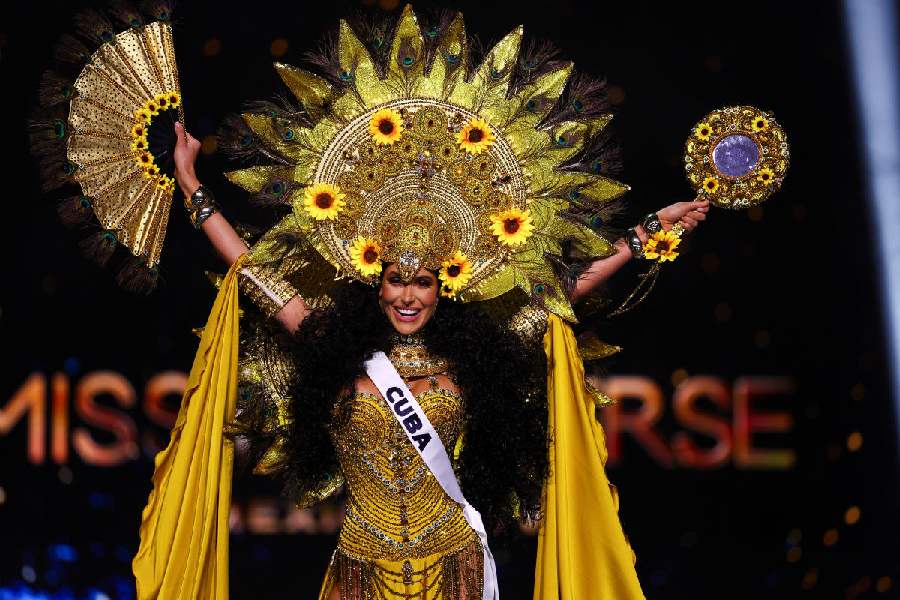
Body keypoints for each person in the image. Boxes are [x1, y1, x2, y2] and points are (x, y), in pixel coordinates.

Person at [131, 6, 708, 599]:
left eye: (423, 282)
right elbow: (251, 271)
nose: (408, 296)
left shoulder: (480, 351)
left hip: (454, 565)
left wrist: (646, 233)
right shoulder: (334, 344)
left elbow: (569, 288)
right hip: (360, 570)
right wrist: (189, 183)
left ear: (444, 286)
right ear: (376, 283)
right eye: (397, 281)